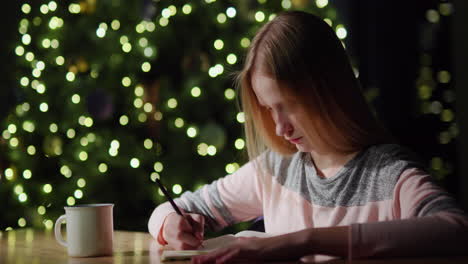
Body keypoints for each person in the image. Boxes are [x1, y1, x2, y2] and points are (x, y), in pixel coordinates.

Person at [148, 11, 468, 263]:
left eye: (289, 107)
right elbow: (175, 209)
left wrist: (304, 241)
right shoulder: (277, 170)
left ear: (329, 93)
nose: (279, 128)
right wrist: (170, 226)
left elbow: (456, 230)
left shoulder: (387, 173)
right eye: (269, 110)